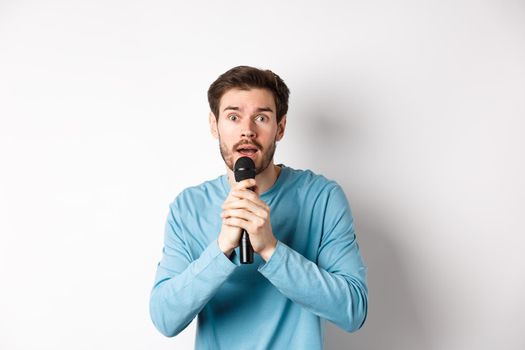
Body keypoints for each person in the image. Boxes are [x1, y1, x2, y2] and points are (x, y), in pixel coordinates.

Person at [149, 66, 368, 349]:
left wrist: (271, 249)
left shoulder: (322, 198)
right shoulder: (188, 207)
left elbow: (353, 311)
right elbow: (165, 319)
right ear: (214, 125)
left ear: (280, 127)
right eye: (233, 117)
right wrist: (220, 250)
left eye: (261, 118)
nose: (247, 131)